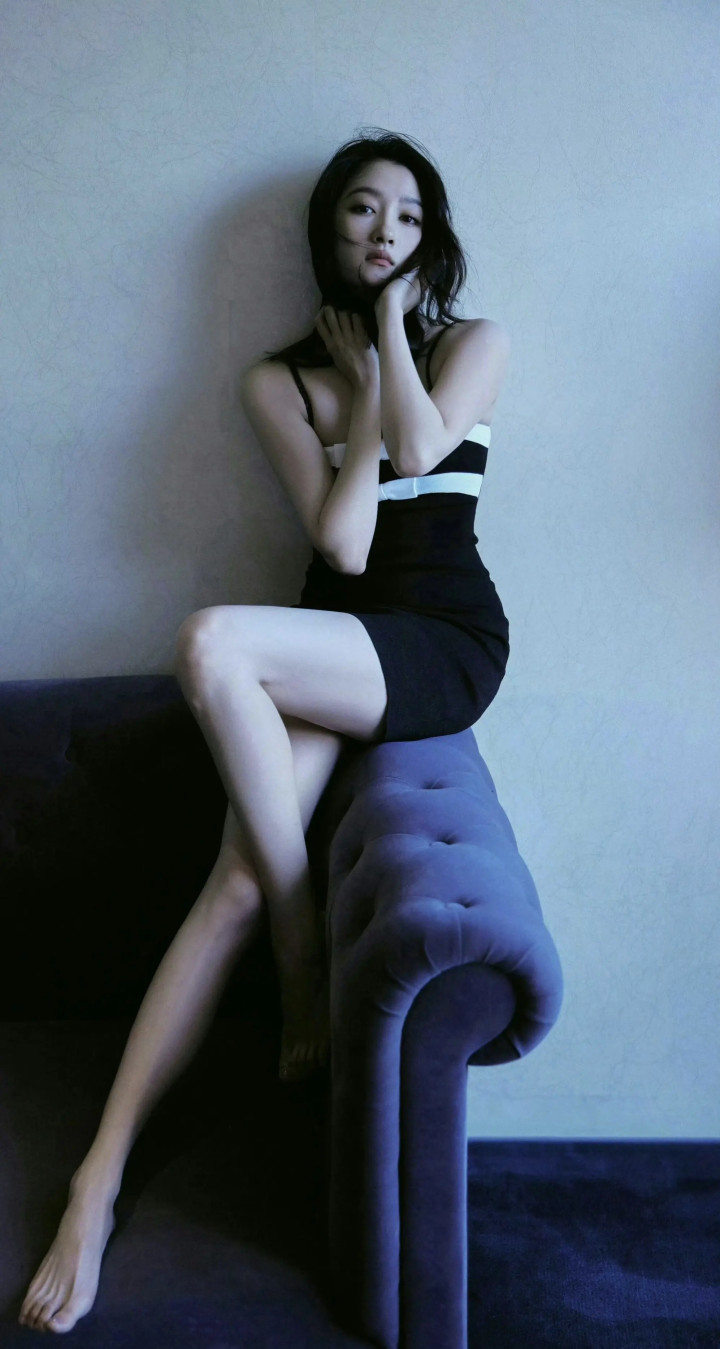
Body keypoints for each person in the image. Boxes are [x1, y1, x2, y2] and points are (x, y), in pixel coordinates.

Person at [18, 128, 511, 1334]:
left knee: (208, 641)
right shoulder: (272, 381)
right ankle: (96, 1180)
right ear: (328, 228)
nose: (384, 231)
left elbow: (423, 449)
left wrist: (386, 338)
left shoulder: (472, 343)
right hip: (331, 631)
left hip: (439, 638)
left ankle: (297, 952)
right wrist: (352, 380)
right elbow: (342, 543)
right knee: (230, 882)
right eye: (361, 210)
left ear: (431, 236)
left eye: (407, 214)